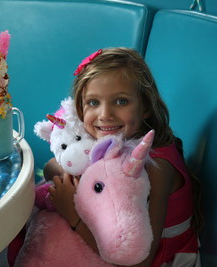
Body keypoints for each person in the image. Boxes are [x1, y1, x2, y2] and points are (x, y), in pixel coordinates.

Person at [45, 47, 202, 266]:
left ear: (145, 106)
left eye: (121, 101)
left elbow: (140, 261)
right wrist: (77, 177)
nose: (105, 115)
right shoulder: (107, 143)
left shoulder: (155, 166)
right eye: (93, 102)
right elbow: (51, 167)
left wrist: (74, 216)